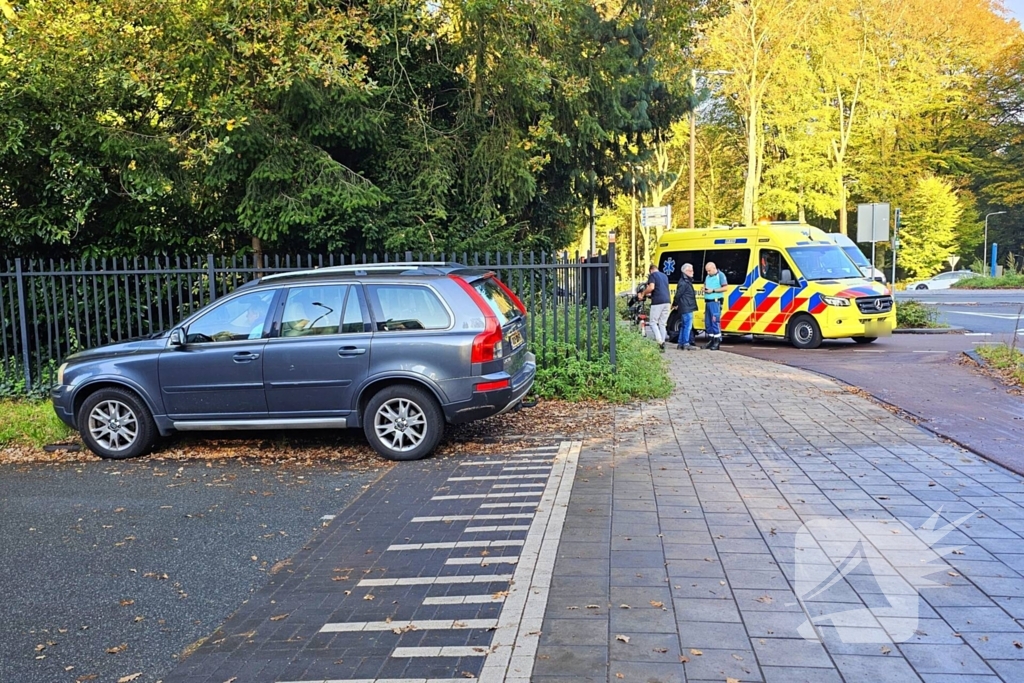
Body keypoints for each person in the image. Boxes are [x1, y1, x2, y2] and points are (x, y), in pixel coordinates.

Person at [639, 263, 670, 351]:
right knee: (662, 323)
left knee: (653, 322)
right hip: (667, 301)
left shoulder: (653, 275)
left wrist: (643, 293)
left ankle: (660, 341)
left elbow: (651, 287)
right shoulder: (665, 276)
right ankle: (663, 343)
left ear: (651, 270)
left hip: (658, 302)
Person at [673, 263, 698, 350]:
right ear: (686, 271)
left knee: (684, 325)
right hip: (686, 306)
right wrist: (674, 304)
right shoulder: (684, 282)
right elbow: (678, 295)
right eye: (691, 270)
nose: (693, 272)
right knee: (687, 326)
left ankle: (680, 343)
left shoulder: (685, 281)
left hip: (685, 306)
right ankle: (686, 343)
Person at [703, 261, 727, 350]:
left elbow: (725, 288)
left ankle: (717, 342)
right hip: (708, 302)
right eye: (707, 271)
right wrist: (704, 289)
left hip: (715, 302)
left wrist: (712, 290)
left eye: (709, 270)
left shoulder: (720, 275)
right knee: (708, 323)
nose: (708, 273)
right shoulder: (708, 277)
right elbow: (705, 285)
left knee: (714, 322)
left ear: (714, 268)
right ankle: (711, 341)